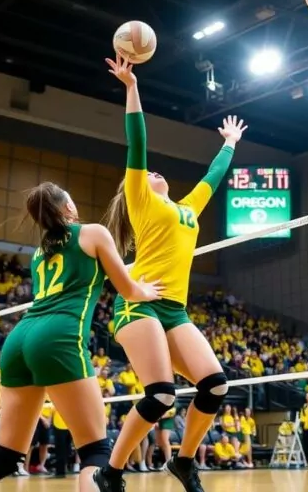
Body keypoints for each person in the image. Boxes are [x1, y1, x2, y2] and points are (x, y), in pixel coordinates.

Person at [0, 181, 161, 492]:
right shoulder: (93, 233)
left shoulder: (39, 252)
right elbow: (127, 289)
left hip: (19, 337)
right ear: (68, 208)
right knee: (96, 451)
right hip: (58, 335)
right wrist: (146, 291)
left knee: (4, 455)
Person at [96, 55, 246, 492]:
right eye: (146, 173)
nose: (153, 170)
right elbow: (137, 143)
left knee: (215, 385)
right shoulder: (142, 198)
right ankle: (113, 471)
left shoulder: (186, 208)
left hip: (175, 311)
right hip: (138, 306)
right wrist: (130, 86)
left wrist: (229, 143)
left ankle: (183, 463)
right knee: (161, 394)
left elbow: (213, 179)